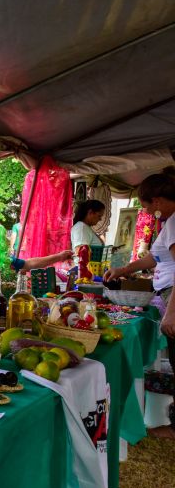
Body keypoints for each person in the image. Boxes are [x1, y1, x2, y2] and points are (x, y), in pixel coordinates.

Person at [104, 167, 175, 429]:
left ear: (157, 201)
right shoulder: (169, 222)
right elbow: (153, 258)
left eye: (145, 206)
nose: (145, 212)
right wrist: (123, 270)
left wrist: (171, 312)